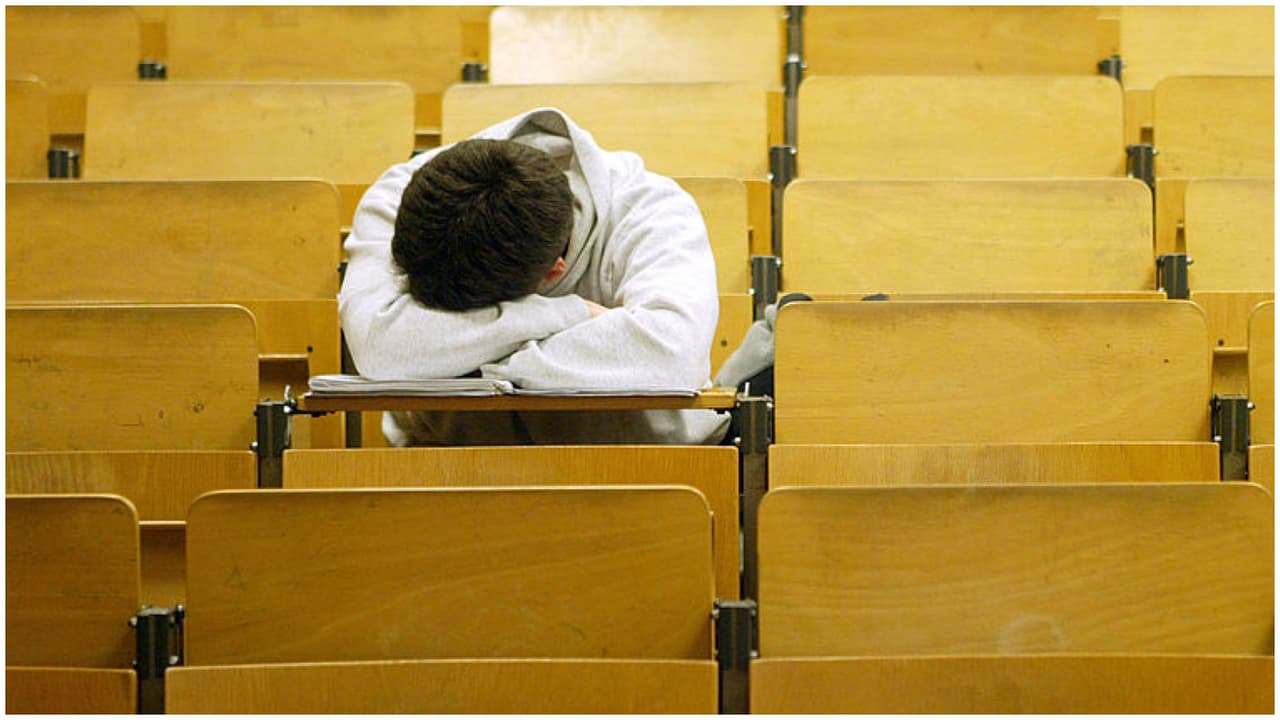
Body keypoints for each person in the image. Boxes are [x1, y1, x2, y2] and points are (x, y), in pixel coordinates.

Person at [339, 107, 733, 446]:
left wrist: (460, 366)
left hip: (640, 463)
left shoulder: (653, 209)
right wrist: (572, 313)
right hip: (446, 462)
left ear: (552, 273)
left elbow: (670, 355)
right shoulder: (397, 195)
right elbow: (381, 349)